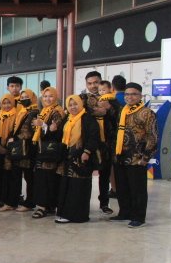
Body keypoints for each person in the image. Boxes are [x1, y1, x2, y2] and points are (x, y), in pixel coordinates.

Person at [111, 82, 158, 228]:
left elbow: (152, 136)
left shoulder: (147, 113)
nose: (129, 97)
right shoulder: (123, 110)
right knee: (122, 187)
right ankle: (125, 212)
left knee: (137, 189)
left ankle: (138, 217)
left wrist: (146, 157)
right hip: (120, 156)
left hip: (137, 157)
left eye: (133, 94)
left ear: (140, 96)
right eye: (127, 94)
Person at [55, 95, 99, 224]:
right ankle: (65, 213)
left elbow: (93, 136)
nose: (73, 107)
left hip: (81, 158)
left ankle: (78, 215)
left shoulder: (87, 118)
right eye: (70, 105)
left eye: (75, 104)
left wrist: (87, 151)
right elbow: (60, 136)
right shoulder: (67, 119)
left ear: (81, 104)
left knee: (78, 186)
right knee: (67, 185)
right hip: (67, 157)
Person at [81, 71, 115, 214]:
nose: (93, 86)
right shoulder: (83, 99)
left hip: (106, 142)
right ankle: (83, 203)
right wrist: (95, 112)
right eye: (90, 83)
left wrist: (109, 110)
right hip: (89, 141)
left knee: (104, 174)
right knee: (85, 173)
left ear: (101, 81)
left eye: (96, 82)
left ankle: (104, 203)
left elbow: (117, 117)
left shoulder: (111, 99)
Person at [31, 87, 66, 219]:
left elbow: (57, 132)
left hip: (51, 152)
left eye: (50, 96)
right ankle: (47, 205)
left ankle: (43, 207)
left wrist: (43, 125)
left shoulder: (57, 112)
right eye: (45, 96)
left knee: (48, 179)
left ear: (56, 97)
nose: (47, 99)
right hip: (43, 150)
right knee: (43, 178)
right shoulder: (45, 111)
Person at [9, 89, 39, 211]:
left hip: (28, 149)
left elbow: (30, 131)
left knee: (29, 177)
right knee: (17, 175)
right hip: (19, 148)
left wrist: (15, 138)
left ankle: (30, 203)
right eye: (22, 97)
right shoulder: (22, 111)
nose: (24, 99)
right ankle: (15, 201)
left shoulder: (35, 112)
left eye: (27, 97)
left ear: (32, 98)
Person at [0, 94, 17, 210]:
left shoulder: (17, 115)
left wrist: (6, 148)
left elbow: (16, 132)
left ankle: (8, 199)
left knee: (8, 175)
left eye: (9, 103)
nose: (6, 106)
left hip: (10, 149)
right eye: (4, 103)